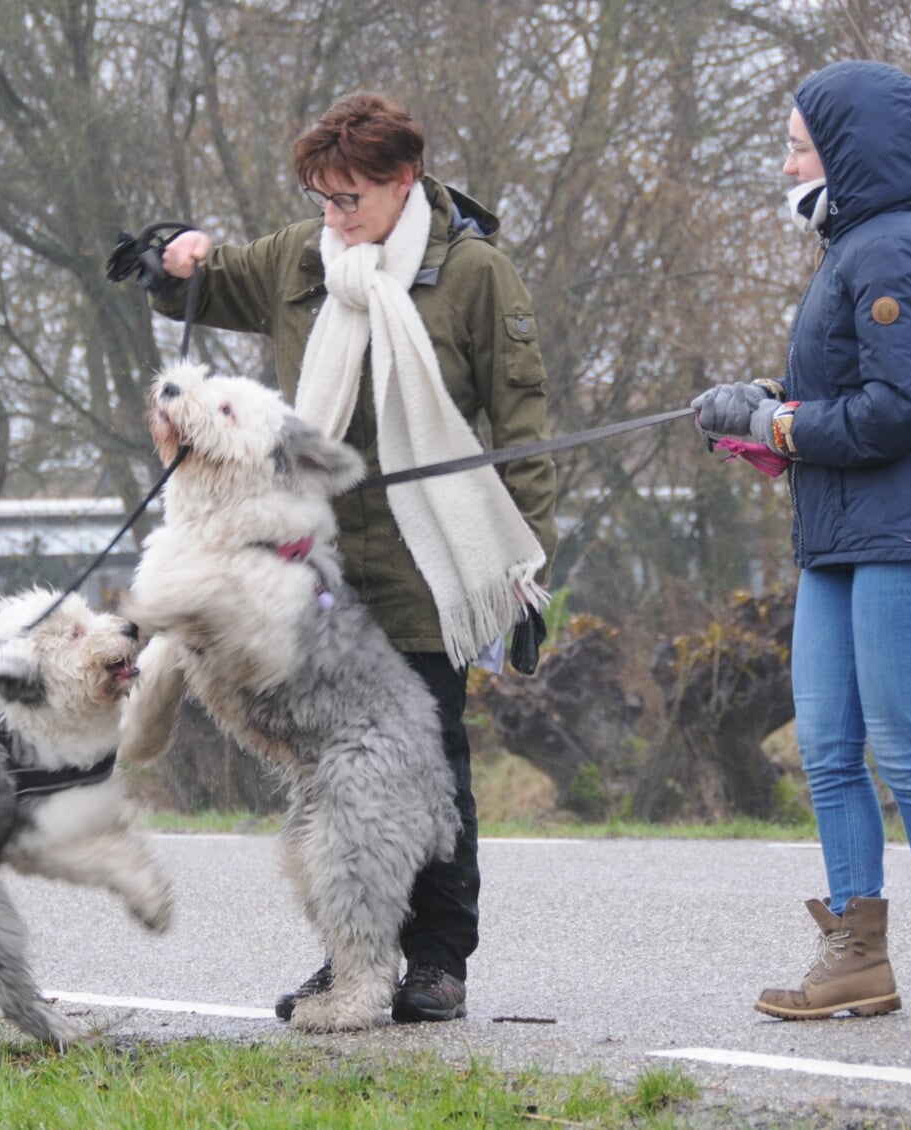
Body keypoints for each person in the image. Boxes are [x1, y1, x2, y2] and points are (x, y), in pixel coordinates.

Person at [147, 92, 557, 1024]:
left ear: (404, 179)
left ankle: (439, 962)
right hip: (318, 568)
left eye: (352, 197)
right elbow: (201, 283)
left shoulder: (475, 273)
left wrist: (526, 565)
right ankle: (350, 954)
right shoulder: (301, 258)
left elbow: (523, 422)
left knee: (427, 766)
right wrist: (171, 255)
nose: (336, 215)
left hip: (431, 565)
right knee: (326, 772)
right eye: (322, 196)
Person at [691, 60, 911, 1020]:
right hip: (838, 535)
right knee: (826, 744)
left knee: (902, 745)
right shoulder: (849, 251)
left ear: (847, 150)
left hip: (907, 531)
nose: (784, 162)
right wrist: (759, 413)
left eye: (796, 144)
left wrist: (782, 424)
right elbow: (841, 405)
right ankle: (856, 956)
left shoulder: (894, 251)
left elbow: (898, 410)